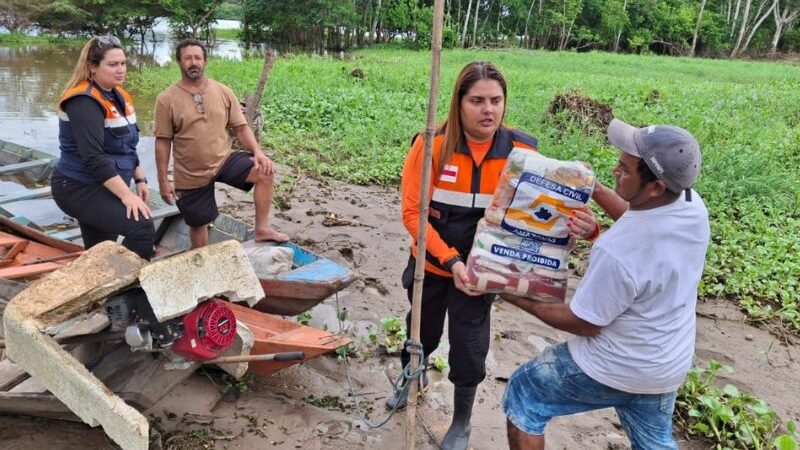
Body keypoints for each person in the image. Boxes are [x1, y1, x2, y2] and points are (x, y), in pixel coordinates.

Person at [390, 61, 599, 450]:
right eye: (477, 101)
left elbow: (548, 215)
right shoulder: (432, 145)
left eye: (496, 100)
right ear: (458, 102)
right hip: (432, 265)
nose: (488, 110)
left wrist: (587, 228)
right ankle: (410, 380)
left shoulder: (522, 152)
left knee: (469, 347)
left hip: (483, 274)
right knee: (421, 331)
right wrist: (451, 261)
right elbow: (412, 213)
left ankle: (462, 421)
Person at [501, 118, 711, 450]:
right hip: (666, 365)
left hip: (615, 365)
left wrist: (514, 294)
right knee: (654, 441)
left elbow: (584, 322)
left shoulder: (618, 252)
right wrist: (593, 187)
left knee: (525, 393)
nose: (615, 170)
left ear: (656, 187)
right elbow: (635, 214)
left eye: (624, 170)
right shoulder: (691, 206)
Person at [153, 39, 288, 248]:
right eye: (188, 58)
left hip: (224, 159)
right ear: (179, 62)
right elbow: (162, 142)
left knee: (264, 171)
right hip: (190, 173)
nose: (193, 62)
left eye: (198, 58)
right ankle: (203, 258)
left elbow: (241, 128)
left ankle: (261, 230)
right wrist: (163, 181)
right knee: (198, 225)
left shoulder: (222, 91)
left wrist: (258, 152)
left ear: (205, 61)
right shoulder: (166, 99)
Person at [52, 36, 154, 260]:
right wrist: (127, 196)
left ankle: (101, 279)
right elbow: (94, 158)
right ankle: (131, 283)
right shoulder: (83, 101)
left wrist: (140, 179)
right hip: (79, 187)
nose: (121, 70)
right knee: (142, 227)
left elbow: (127, 146)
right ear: (93, 67)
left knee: (100, 250)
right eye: (113, 64)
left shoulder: (118, 95)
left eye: (123, 63)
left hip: (106, 185)